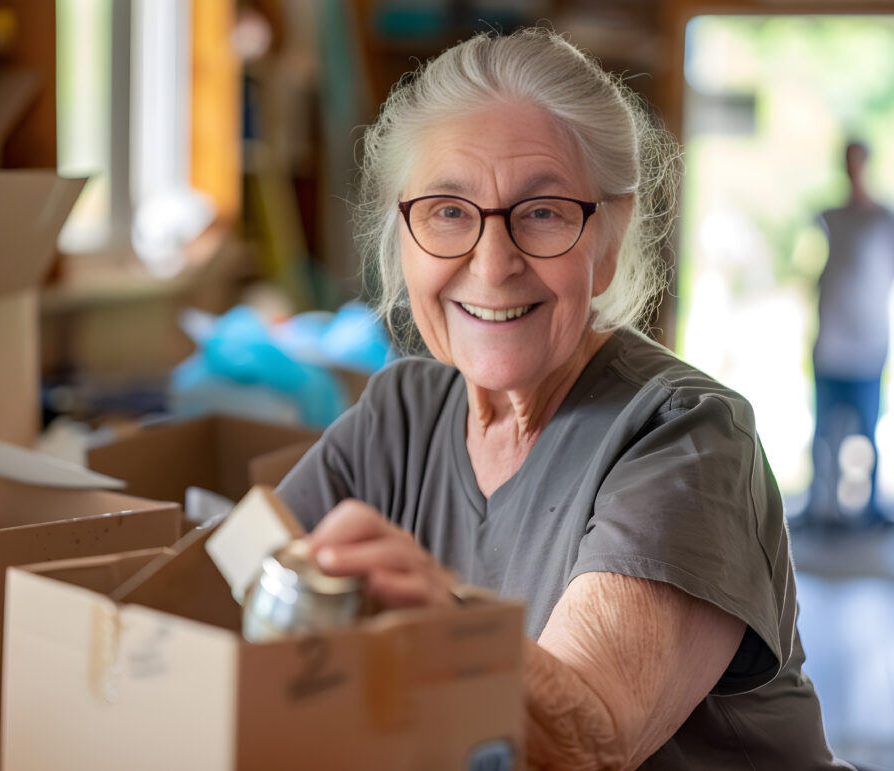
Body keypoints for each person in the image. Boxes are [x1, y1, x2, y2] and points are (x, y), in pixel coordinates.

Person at [277, 27, 850, 769]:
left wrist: (443, 626)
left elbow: (585, 740)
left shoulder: (686, 438)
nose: (491, 263)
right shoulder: (402, 413)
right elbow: (218, 596)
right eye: (448, 211)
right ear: (404, 231)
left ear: (607, 240)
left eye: (542, 212)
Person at [808, 140, 894, 528]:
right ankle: (821, 504)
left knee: (866, 429)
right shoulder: (830, 216)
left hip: (868, 344)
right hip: (831, 343)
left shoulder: (883, 220)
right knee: (824, 432)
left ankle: (867, 508)